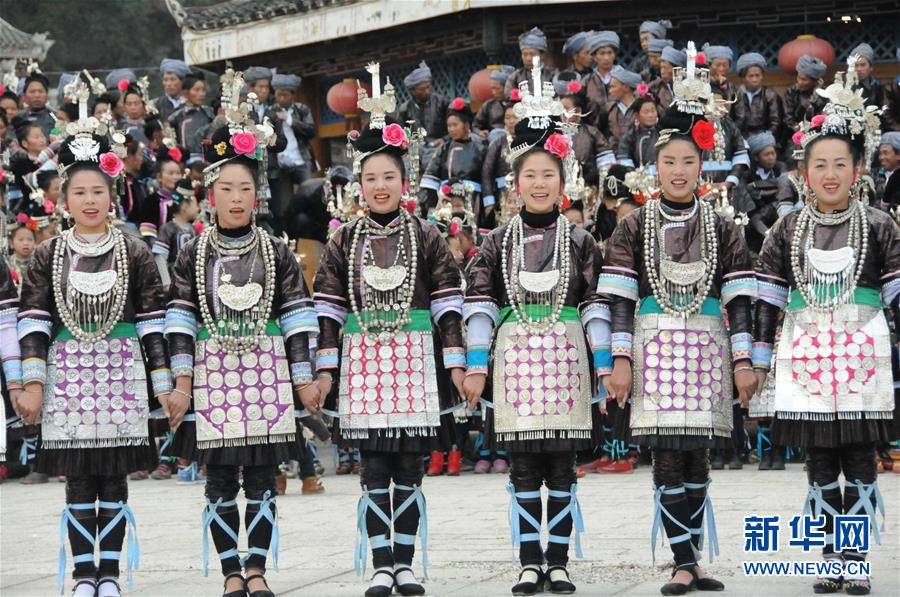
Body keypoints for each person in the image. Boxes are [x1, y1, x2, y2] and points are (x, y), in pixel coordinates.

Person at [600, 46, 758, 595]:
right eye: (669, 161)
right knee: (667, 457)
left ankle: (695, 556)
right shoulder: (633, 226)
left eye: (689, 161)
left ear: (702, 166)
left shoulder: (724, 227)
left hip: (709, 349)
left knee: (699, 455)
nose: (678, 171)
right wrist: (619, 359)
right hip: (654, 350)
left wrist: (744, 362)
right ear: (654, 165)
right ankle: (683, 560)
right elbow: (619, 297)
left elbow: (739, 300)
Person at [164, 67, 319, 597]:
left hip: (264, 372)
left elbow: (298, 316)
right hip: (212, 375)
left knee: (261, 478)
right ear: (210, 194)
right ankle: (231, 570)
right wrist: (180, 383)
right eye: (225, 187)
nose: (235, 197)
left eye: (245, 188)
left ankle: (258, 570)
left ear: (258, 194)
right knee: (220, 481)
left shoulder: (276, 250)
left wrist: (305, 378)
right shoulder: (193, 252)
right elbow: (180, 319)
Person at [313, 65, 465, 596]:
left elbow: (448, 302)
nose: (380, 186)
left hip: (416, 360)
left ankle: (405, 560)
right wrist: (325, 370)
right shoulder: (342, 241)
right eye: (370, 178)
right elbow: (328, 309)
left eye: (389, 177)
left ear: (405, 182)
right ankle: (381, 561)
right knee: (374, 466)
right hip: (364, 363)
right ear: (359, 185)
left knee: (409, 466)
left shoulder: (426, 235)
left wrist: (456, 362)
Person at [14, 109, 173, 597]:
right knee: (79, 480)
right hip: (68, 379)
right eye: (79, 192)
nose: (89, 200)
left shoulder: (134, 251)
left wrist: (164, 384)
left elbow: (152, 321)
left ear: (113, 195)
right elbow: (35, 321)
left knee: (114, 480)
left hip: (121, 375)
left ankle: (112, 573)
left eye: (98, 191)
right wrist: (33, 383)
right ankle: (86, 574)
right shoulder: (47, 254)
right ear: (63, 199)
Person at [752, 61, 897, 595]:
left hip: (861, 354)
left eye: (841, 163)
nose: (830, 174)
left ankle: (854, 557)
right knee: (818, 463)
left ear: (857, 170)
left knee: (859, 459)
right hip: (806, 352)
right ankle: (829, 554)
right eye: (820, 165)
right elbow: (767, 299)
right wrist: (759, 359)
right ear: (804, 172)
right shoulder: (787, 226)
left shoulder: (880, 225)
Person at [461, 79, 609, 593]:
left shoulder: (581, 238)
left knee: (562, 467)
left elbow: (594, 303)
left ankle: (560, 559)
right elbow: (480, 302)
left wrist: (607, 362)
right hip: (516, 363)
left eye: (549, 174)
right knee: (524, 466)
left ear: (563, 181)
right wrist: (477, 366)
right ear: (515, 183)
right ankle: (529, 559)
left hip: (566, 361)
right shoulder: (496, 242)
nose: (540, 183)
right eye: (531, 175)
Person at [420, 98, 485, 218]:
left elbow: (486, 177)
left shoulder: (480, 148)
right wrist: (432, 205)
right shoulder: (444, 148)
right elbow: (431, 176)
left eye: (455, 125)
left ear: (466, 125)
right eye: (449, 126)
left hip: (472, 199)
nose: (451, 129)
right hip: (447, 198)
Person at [271, 73, 317, 220]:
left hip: (301, 159)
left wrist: (290, 120)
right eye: (279, 95)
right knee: (284, 203)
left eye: (285, 95)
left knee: (311, 192)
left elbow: (311, 131)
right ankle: (287, 234)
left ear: (293, 95)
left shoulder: (302, 109)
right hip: (280, 162)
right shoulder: (271, 111)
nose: (282, 98)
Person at [742, 132, 785, 255]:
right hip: (756, 214)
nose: (772, 157)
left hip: (777, 208)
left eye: (773, 153)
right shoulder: (748, 173)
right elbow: (746, 192)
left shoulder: (780, 167)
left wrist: (757, 186)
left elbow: (783, 182)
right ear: (756, 157)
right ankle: (768, 237)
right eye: (767, 154)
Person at [152, 178, 199, 289]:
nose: (198, 209)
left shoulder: (191, 229)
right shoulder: (168, 228)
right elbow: (160, 256)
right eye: (195, 204)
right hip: (173, 279)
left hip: (191, 278)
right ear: (184, 206)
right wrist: (166, 280)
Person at [397, 61, 448, 161]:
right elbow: (401, 136)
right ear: (412, 90)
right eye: (422, 89)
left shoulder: (442, 102)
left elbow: (455, 126)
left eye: (428, 87)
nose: (427, 91)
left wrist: (444, 140)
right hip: (416, 151)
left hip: (441, 147)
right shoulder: (405, 109)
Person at [731, 52, 783, 144]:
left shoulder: (770, 95)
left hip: (765, 139)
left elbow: (776, 122)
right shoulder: (735, 95)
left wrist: (766, 138)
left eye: (757, 75)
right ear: (743, 78)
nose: (755, 79)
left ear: (762, 76)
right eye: (751, 76)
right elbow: (732, 121)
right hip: (741, 138)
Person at [481, 102, 519, 224]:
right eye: (507, 118)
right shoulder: (498, 142)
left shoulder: (532, 141)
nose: (511, 121)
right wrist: (489, 202)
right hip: (502, 195)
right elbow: (487, 172)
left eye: (515, 117)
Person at [138, 149, 183, 248]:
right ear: (159, 177)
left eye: (178, 173)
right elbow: (148, 235)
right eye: (171, 173)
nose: (175, 177)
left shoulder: (184, 200)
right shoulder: (151, 201)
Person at [168, 72, 213, 162]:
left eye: (203, 90)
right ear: (185, 93)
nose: (201, 94)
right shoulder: (177, 116)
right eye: (196, 90)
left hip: (207, 158)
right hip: (186, 160)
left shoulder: (209, 112)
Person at [783, 55, 828, 140]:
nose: (800, 82)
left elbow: (821, 117)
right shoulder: (791, 91)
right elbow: (788, 119)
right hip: (795, 135)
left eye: (804, 80)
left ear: (815, 81)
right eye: (799, 78)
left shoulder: (824, 93)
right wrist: (800, 132)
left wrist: (815, 96)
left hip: (819, 135)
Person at [505, 27, 557, 98]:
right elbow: (508, 96)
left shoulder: (553, 74)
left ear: (542, 55)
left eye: (532, 54)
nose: (528, 58)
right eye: (525, 54)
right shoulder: (515, 76)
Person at [616, 91, 660, 168]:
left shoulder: (663, 133)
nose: (651, 115)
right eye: (646, 112)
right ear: (637, 116)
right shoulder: (630, 136)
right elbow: (624, 159)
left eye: (653, 111)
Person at [602, 66, 643, 148]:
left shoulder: (642, 107)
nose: (610, 91)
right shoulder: (609, 109)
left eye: (613, 87)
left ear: (626, 87)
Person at [583, 30, 620, 121]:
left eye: (609, 53)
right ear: (595, 57)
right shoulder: (587, 81)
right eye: (602, 53)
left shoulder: (624, 78)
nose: (606, 58)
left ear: (614, 55)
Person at [473, 66, 514, 139]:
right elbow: (475, 126)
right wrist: (480, 132)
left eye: (497, 88)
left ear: (507, 87)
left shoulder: (518, 103)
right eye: (492, 88)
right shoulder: (489, 105)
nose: (493, 92)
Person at [18, 69, 55, 137]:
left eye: (40, 91)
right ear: (24, 96)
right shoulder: (18, 118)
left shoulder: (55, 117)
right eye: (32, 92)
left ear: (47, 95)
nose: (37, 95)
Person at [850, 43, 885, 112]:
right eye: (856, 65)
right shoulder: (847, 88)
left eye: (862, 65)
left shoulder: (877, 86)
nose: (859, 69)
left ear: (871, 67)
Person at [649, 46, 686, 110]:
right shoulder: (656, 87)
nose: (662, 72)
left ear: (677, 70)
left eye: (666, 68)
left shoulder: (689, 88)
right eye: (661, 68)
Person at [154, 58, 189, 123]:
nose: (168, 84)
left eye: (173, 79)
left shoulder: (191, 105)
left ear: (183, 81)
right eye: (165, 80)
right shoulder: (155, 105)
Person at [874, 132, 900, 206]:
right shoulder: (874, 174)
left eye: (885, 153)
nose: (881, 157)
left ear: (898, 155)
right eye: (880, 153)